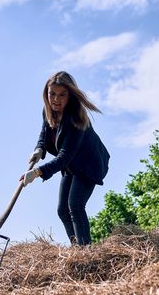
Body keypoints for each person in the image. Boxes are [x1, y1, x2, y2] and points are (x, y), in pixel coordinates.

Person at [20, 71, 110, 246]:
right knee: (62, 210)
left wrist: (37, 172)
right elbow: (44, 134)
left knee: (75, 205)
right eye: (52, 93)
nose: (56, 99)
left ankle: (84, 251)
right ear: (46, 93)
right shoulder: (48, 111)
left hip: (88, 164)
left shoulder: (76, 119)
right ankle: (76, 249)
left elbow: (64, 157)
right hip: (71, 166)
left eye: (62, 94)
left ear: (70, 95)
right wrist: (39, 149)